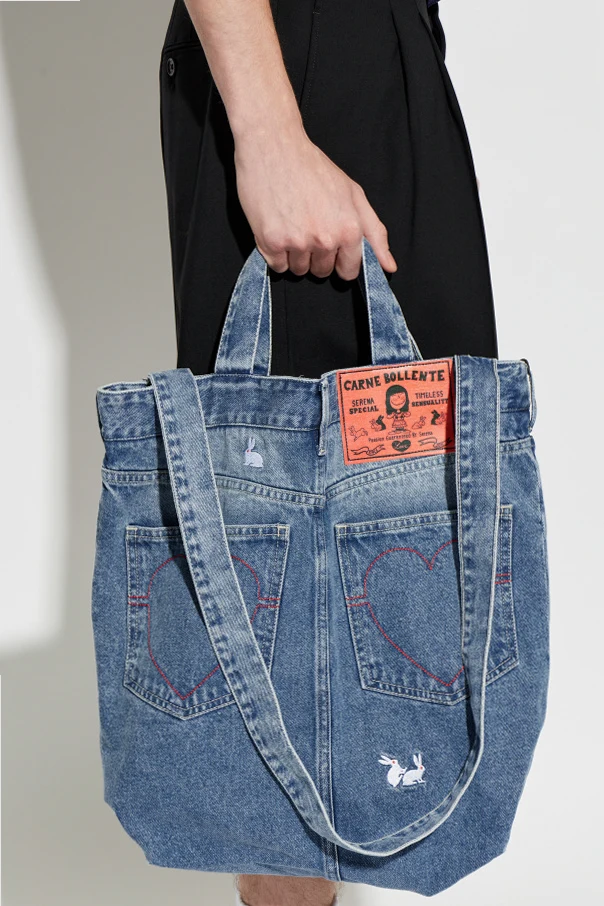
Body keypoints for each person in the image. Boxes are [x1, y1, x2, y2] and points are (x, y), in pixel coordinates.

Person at [158, 1, 498, 903]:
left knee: (429, 504)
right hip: (301, 58)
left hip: (385, 57)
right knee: (276, 569)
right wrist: (270, 130)